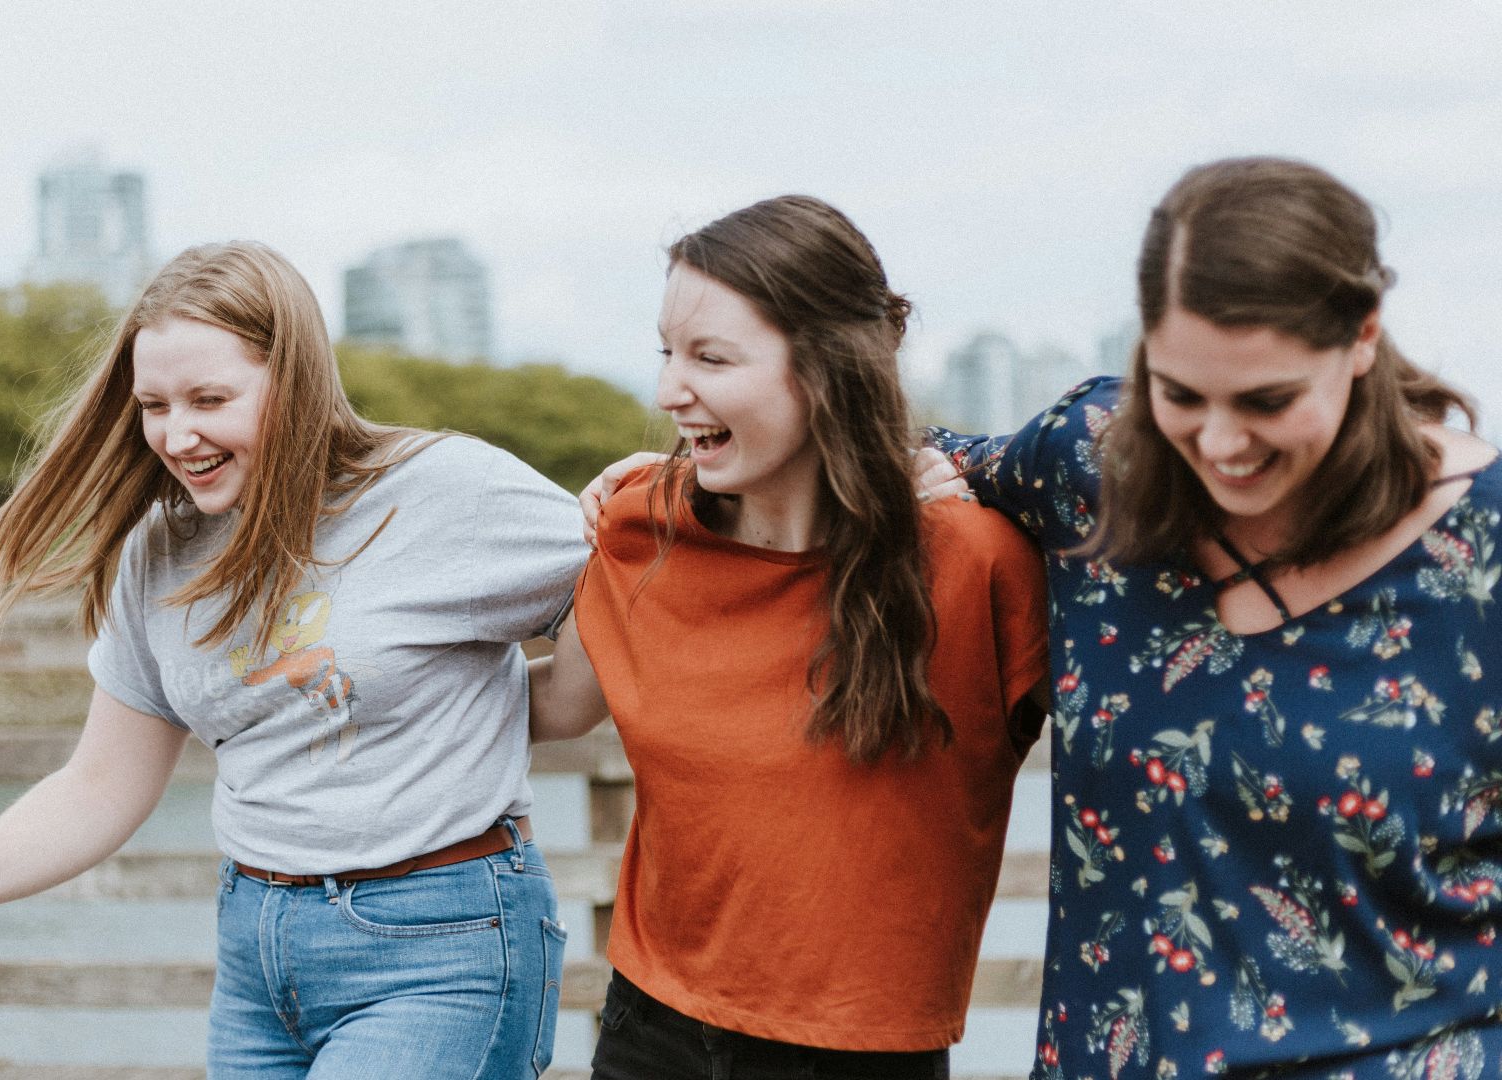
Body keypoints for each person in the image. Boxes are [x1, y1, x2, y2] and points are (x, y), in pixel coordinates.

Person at [0, 241, 588, 1080]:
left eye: (210, 399)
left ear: (294, 381)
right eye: (154, 404)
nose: (176, 434)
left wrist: (532, 700)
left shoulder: (446, 492)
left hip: (440, 949)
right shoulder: (158, 552)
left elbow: (625, 596)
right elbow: (100, 786)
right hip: (258, 955)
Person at [921, 158, 1502, 1079]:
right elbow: (890, 461)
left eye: (1267, 401)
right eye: (1182, 396)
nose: (1222, 445)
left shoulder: (1487, 555)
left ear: (1362, 337)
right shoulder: (1091, 462)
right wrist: (664, 495)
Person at [530, 195, 1050, 1079]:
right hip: (648, 1033)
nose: (667, 391)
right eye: (667, 352)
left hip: (860, 1052)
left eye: (711, 357)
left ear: (827, 370)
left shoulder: (979, 562)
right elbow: (553, 707)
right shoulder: (637, 526)